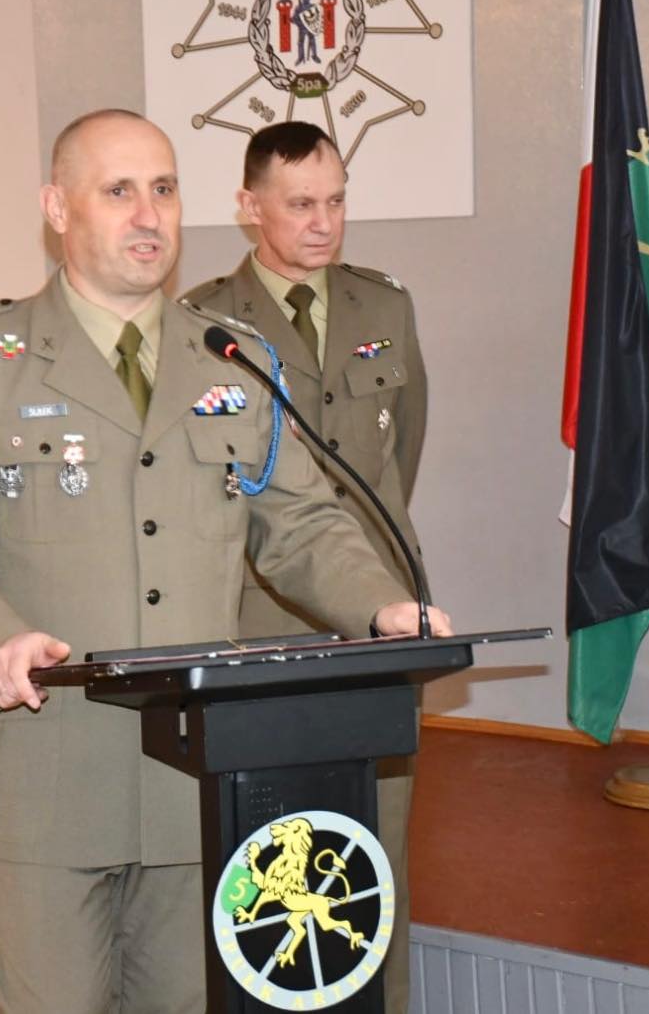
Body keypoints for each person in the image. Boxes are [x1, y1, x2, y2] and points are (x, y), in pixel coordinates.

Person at [0, 108, 450, 1014]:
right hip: (47, 769)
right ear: (57, 208)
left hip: (193, 775)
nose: (148, 216)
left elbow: (300, 522)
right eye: (118, 191)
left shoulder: (232, 360)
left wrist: (380, 605)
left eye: (164, 190)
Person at [184, 121, 427, 1013]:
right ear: (249, 208)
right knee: (263, 838)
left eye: (334, 201)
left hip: (380, 613)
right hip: (258, 613)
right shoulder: (203, 323)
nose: (322, 223)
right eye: (299, 204)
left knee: (378, 842)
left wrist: (373, 577)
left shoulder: (383, 306)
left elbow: (400, 450)